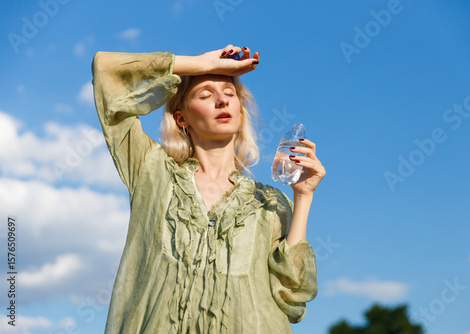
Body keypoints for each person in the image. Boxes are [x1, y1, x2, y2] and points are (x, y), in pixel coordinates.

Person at [92, 44, 326, 334]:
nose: (222, 101)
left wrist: (303, 195)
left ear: (240, 112)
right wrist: (203, 64)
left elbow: (292, 294)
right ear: (181, 119)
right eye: (205, 94)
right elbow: (106, 70)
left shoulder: (268, 202)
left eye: (230, 94)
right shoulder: (151, 169)